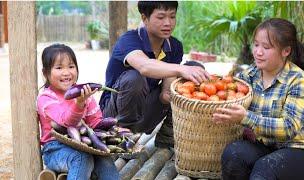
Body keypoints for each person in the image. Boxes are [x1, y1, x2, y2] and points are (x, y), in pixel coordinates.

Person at [212, 18, 304, 180]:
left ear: (286, 51)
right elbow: (225, 91)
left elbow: (288, 128)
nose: (258, 52)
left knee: (266, 169)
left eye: (266, 47)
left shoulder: (299, 82)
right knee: (233, 155)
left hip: (302, 149)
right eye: (256, 45)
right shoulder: (249, 76)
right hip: (266, 145)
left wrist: (246, 118)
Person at [99, 1, 210, 148]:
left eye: (172, 16)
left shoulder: (174, 46)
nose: (168, 23)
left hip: (145, 111)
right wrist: (180, 69)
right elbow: (145, 67)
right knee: (134, 78)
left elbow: (165, 94)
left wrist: (176, 92)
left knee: (193, 70)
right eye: (161, 17)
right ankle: (121, 137)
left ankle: (168, 135)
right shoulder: (129, 40)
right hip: (113, 116)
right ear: (144, 18)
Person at [37, 44, 119, 180]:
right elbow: (66, 122)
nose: (66, 72)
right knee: (81, 158)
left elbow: (95, 122)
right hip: (55, 149)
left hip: (84, 145)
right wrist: (79, 104)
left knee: (106, 160)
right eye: (59, 67)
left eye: (71, 66)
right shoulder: (46, 98)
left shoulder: (83, 93)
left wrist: (113, 131)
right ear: (46, 73)